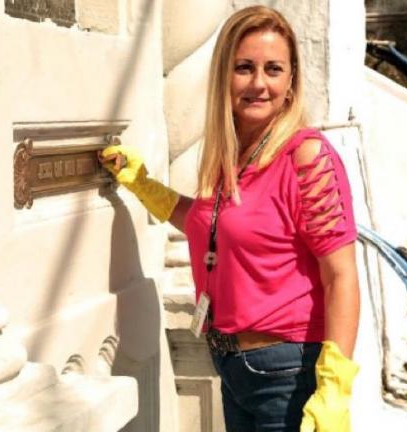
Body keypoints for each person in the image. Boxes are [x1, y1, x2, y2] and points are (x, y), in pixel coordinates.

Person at [100, 6, 359, 432]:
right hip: (232, 368)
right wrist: (144, 185)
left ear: (291, 81)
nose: (259, 83)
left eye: (273, 69)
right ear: (224, 75)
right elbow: (217, 228)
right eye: (244, 67)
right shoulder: (235, 154)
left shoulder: (306, 157)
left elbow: (341, 276)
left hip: (288, 374)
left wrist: (334, 389)